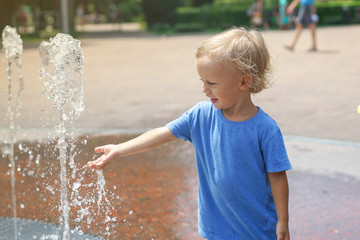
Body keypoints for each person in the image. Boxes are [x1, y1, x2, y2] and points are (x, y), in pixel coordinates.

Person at [87, 27, 292, 240]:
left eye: (211, 83)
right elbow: (162, 134)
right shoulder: (201, 116)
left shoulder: (265, 129)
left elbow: (277, 177)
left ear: (244, 82)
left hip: (256, 230)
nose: (204, 89)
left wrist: (283, 221)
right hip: (216, 229)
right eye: (202, 81)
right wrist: (119, 149)